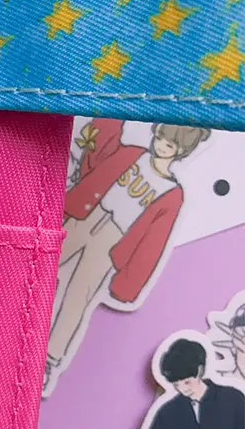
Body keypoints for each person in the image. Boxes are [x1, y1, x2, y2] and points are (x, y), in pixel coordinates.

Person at [45, 121, 210, 394]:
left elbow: (153, 242)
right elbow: (98, 163)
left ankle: (49, 360)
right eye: (159, 138)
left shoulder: (173, 194)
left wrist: (128, 284)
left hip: (112, 242)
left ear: (180, 151)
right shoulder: (133, 153)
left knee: (78, 298)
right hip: (87, 215)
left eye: (169, 144)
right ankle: (0, 306)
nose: (160, 146)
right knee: (42, 263)